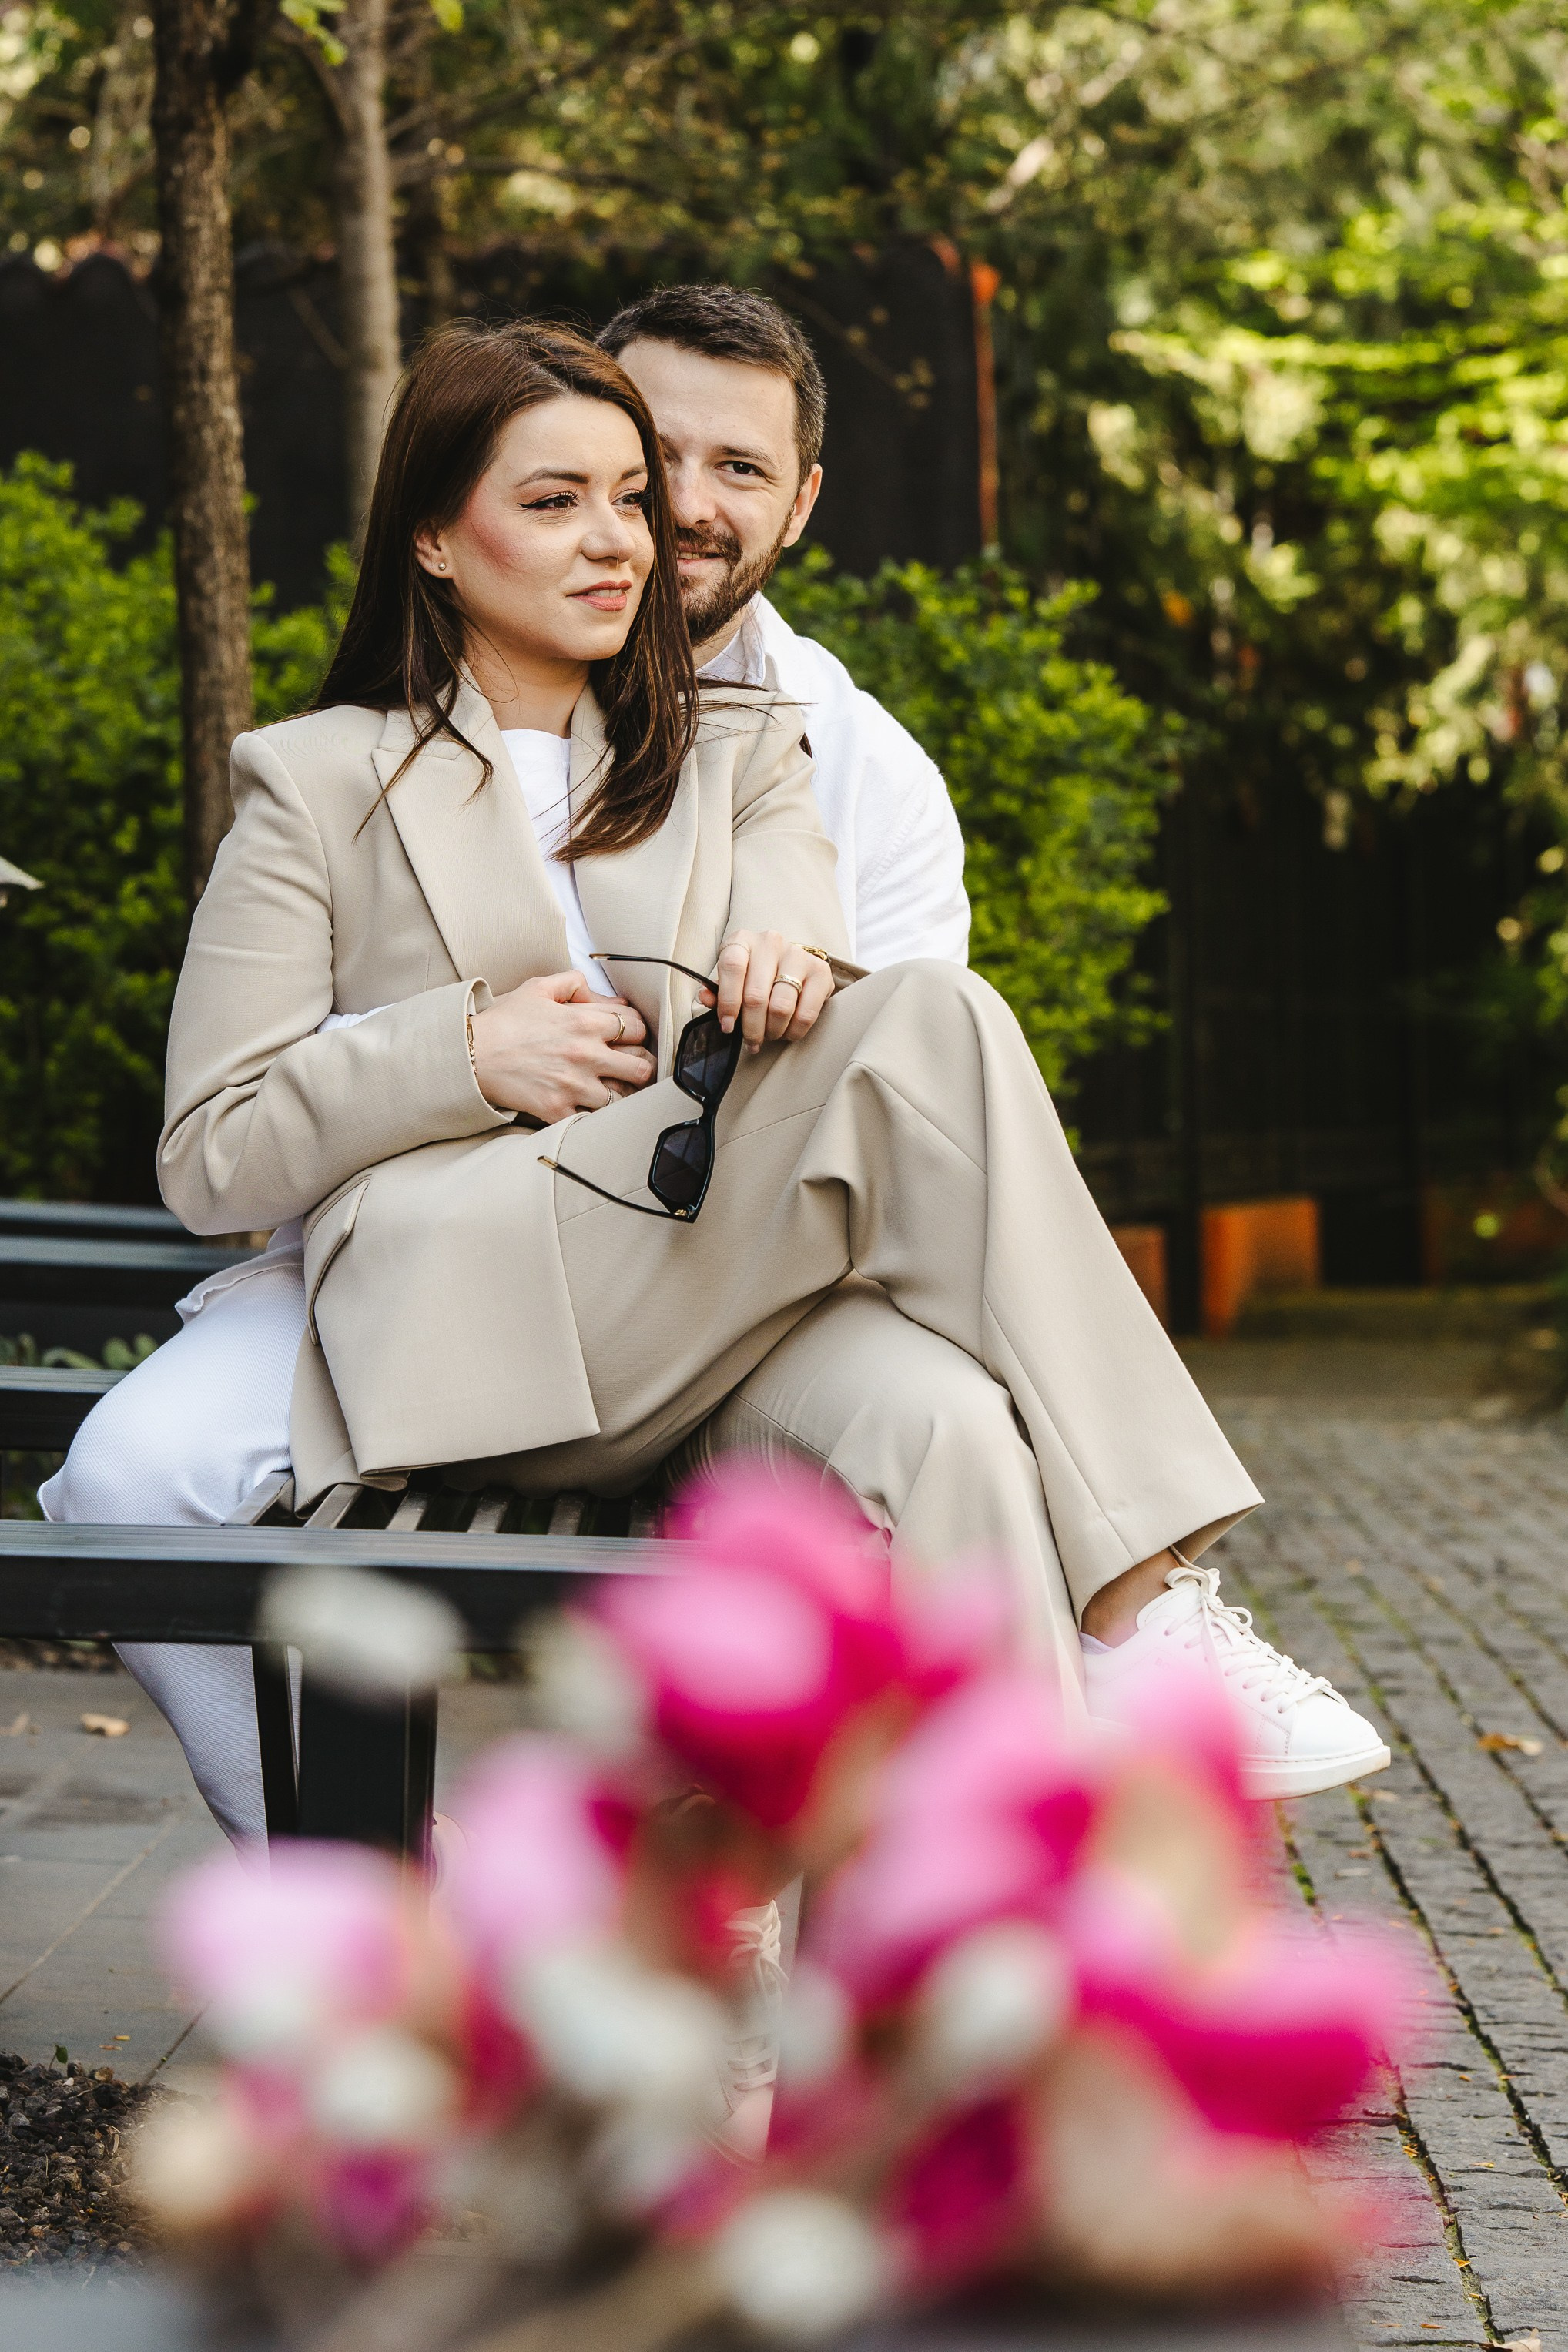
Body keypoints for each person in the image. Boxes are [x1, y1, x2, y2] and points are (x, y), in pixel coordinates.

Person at [43, 319, 1389, 1873]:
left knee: (950, 1423)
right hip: (469, 1309)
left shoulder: (748, 749)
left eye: (629, 499)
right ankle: (1144, 1604)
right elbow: (210, 1156)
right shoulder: (321, 782)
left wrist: (795, 964)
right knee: (936, 1024)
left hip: (702, 1303)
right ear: (431, 532)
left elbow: (814, 942)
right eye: (557, 502)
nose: (620, 537)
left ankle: (962, 2002)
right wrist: (456, 1052)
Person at [598, 286, 969, 970]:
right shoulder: (426, 724)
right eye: (653, 454)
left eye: (739, 468)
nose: (686, 507)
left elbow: (890, 1060)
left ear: (800, 507)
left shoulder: (878, 783)